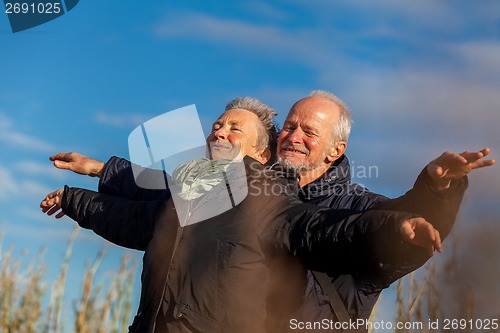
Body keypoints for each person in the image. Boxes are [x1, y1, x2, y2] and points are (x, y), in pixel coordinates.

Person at [41, 98, 444, 333]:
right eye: (217, 125)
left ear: (260, 154)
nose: (219, 132)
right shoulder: (197, 191)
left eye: (234, 128)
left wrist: (411, 215)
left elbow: (335, 229)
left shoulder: (272, 204)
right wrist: (82, 188)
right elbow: (143, 209)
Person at [273, 90, 495, 330]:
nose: (294, 137)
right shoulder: (254, 198)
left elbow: (400, 221)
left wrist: (436, 188)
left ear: (335, 150)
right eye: (289, 126)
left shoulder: (360, 206)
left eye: (309, 132)